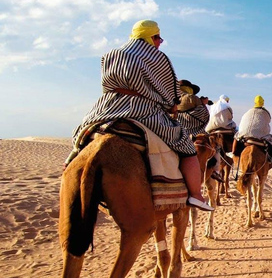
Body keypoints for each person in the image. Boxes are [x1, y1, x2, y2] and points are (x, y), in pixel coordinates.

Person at [71, 19, 214, 211]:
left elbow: (106, 85)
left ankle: (70, 162)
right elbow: (172, 96)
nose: (159, 43)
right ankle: (196, 195)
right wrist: (171, 105)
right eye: (159, 38)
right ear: (152, 37)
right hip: (143, 110)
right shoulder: (157, 58)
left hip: (106, 107)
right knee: (187, 148)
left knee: (82, 133)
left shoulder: (111, 54)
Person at [232, 95, 272, 166]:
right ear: (263, 103)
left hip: (245, 134)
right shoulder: (266, 112)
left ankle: (233, 153)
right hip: (260, 136)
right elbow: (268, 121)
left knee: (236, 136)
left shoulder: (248, 111)